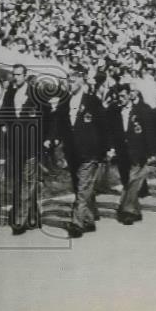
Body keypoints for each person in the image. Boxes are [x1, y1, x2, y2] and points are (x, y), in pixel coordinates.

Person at [0, 64, 42, 235]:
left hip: (30, 146)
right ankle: (33, 216)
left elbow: (45, 117)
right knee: (19, 181)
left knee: (27, 182)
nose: (16, 78)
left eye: (19, 75)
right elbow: (2, 114)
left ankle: (19, 221)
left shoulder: (35, 94)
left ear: (25, 75)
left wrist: (44, 140)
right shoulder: (10, 94)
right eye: (14, 75)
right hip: (14, 146)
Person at [57, 67, 104, 237]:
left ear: (82, 80)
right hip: (72, 152)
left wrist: (103, 151)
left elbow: (103, 127)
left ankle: (76, 223)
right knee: (80, 187)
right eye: (69, 80)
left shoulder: (93, 101)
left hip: (89, 152)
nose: (70, 83)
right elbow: (59, 124)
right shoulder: (65, 102)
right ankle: (88, 220)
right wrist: (53, 139)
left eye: (74, 80)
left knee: (83, 186)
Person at [106, 81, 156, 225]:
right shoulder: (114, 111)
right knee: (126, 180)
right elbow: (111, 132)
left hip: (138, 152)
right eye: (118, 96)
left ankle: (127, 210)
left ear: (130, 95)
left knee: (133, 180)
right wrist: (110, 148)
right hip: (122, 152)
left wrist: (152, 152)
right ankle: (135, 211)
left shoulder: (142, 110)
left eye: (123, 96)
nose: (120, 99)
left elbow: (149, 132)